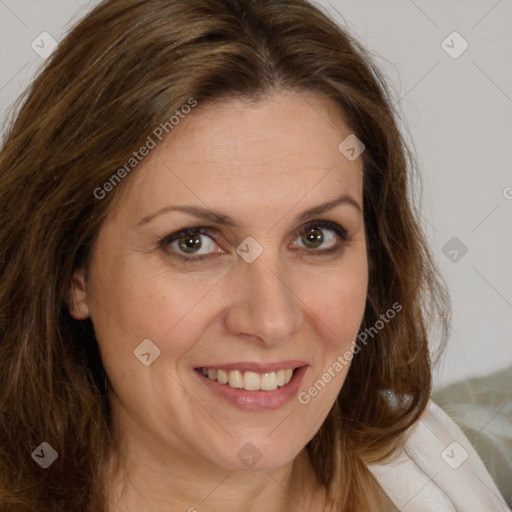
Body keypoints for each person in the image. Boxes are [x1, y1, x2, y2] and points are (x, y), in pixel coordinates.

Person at [0, 1, 508, 511]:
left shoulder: (429, 468)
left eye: (316, 236)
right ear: (74, 273)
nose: (272, 320)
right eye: (193, 242)